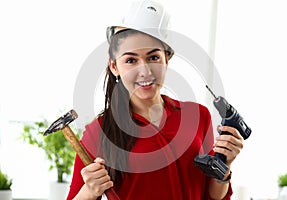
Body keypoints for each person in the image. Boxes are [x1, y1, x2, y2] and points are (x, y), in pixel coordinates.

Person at [67, 0, 244, 199]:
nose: (145, 71)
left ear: (166, 60)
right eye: (131, 60)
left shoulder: (198, 116)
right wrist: (90, 191)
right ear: (114, 66)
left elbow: (212, 196)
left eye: (153, 58)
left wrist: (225, 167)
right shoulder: (98, 132)